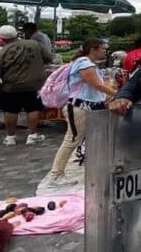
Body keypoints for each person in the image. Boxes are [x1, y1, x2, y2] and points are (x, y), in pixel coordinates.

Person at [46, 38, 117, 188]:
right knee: (72, 140)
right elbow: (97, 85)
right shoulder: (85, 64)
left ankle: (93, 168)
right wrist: (118, 93)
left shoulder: (85, 63)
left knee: (87, 139)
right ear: (93, 49)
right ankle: (56, 175)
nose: (105, 51)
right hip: (80, 107)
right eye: (103, 48)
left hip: (87, 107)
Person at [0, 25, 51, 146]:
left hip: (11, 86)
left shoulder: (2, 52)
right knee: (33, 109)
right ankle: (32, 135)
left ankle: (10, 137)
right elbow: (48, 57)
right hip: (34, 85)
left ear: (2, 39)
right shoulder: (34, 44)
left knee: (10, 111)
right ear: (17, 34)